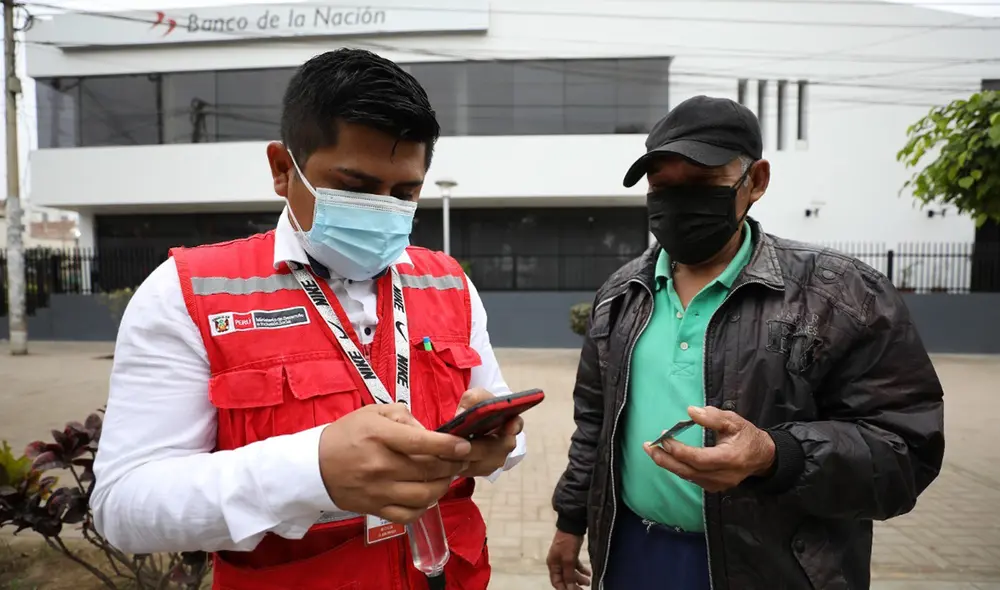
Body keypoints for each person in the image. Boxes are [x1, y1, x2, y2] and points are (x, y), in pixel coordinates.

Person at [91, 48, 527, 590]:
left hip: (449, 573)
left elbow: (497, 412)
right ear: (281, 168)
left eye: (405, 193)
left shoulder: (447, 282)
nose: (385, 210)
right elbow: (124, 505)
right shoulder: (189, 292)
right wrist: (311, 471)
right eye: (356, 187)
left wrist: (496, 445)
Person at [546, 95, 945, 590]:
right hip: (633, 554)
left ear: (755, 181)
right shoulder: (623, 296)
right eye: (663, 188)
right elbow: (594, 424)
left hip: (776, 569)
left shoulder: (841, 296)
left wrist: (777, 454)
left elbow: (905, 449)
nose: (679, 204)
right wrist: (570, 522)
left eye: (702, 185)